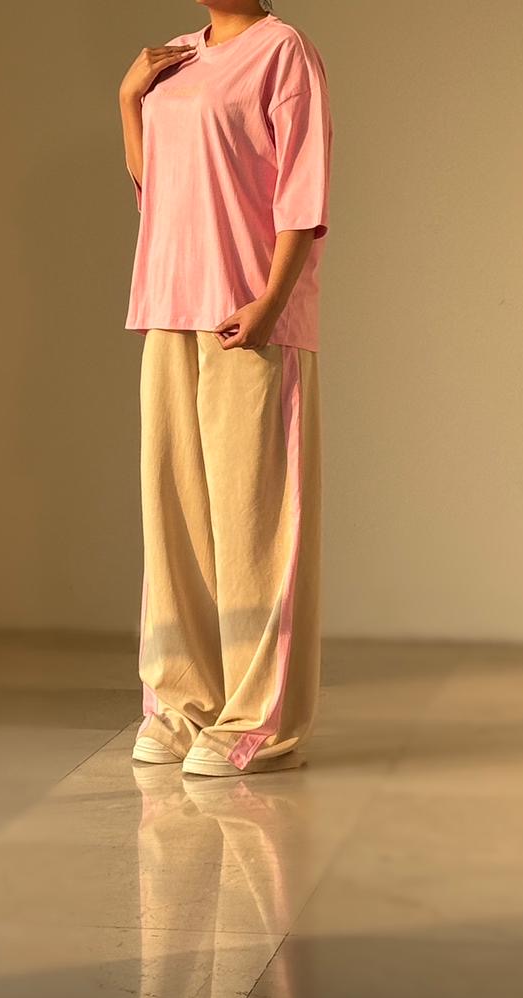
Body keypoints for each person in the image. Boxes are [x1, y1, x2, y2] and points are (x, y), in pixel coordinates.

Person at [118, 0, 333, 776]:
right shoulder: (173, 58)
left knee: (255, 526)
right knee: (173, 518)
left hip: (250, 315)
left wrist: (272, 301)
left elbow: (303, 192)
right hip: (169, 307)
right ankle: (182, 702)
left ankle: (257, 720)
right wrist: (128, 101)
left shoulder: (284, 51)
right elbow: (160, 189)